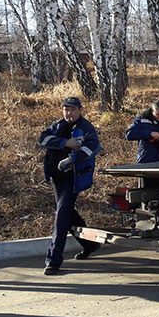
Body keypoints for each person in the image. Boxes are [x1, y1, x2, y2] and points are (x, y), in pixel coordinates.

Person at [37, 96, 102, 276]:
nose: (69, 113)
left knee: (61, 216)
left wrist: (72, 158)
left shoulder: (86, 128)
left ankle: (53, 261)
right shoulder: (57, 125)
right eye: (66, 109)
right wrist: (64, 143)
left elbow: (93, 148)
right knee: (67, 213)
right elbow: (42, 139)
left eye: (72, 109)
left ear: (79, 110)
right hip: (56, 178)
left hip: (73, 178)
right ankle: (90, 245)